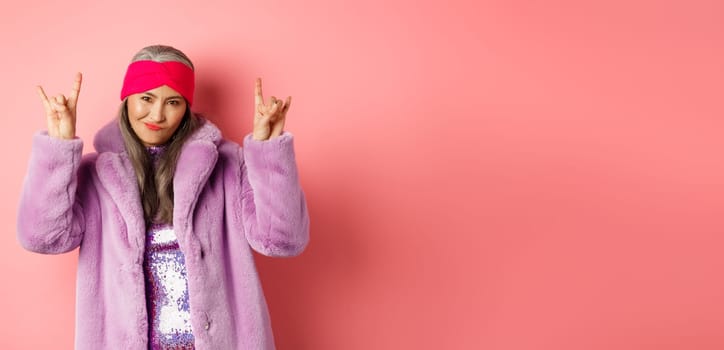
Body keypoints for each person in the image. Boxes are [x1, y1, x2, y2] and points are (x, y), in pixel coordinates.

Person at [17, 44, 310, 349]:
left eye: (173, 101)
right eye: (146, 98)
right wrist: (58, 147)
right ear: (127, 99)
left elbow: (283, 241)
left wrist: (268, 152)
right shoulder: (97, 173)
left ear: (186, 108)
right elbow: (43, 238)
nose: (157, 114)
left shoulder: (227, 165)